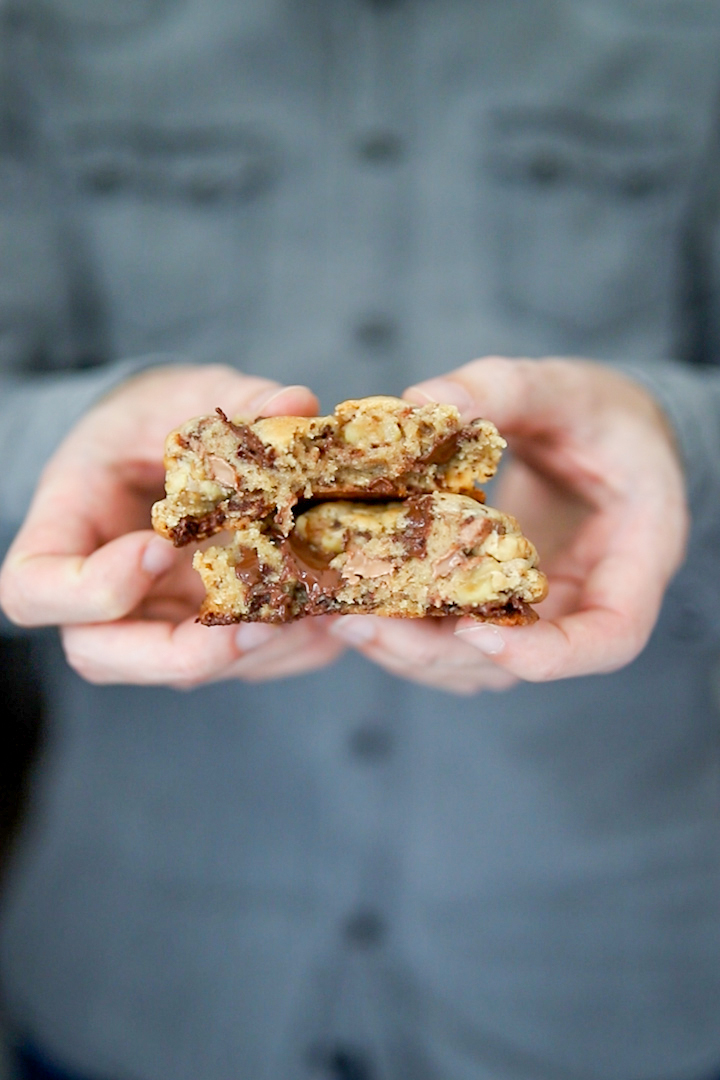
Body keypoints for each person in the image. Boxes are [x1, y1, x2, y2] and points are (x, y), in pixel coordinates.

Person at [1, 2, 720, 1078]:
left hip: (608, 985)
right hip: (149, 981)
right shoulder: (41, 34)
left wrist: (679, 439)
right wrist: (63, 449)